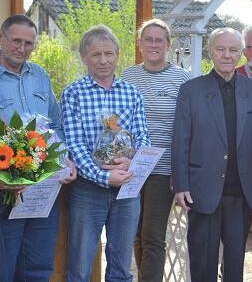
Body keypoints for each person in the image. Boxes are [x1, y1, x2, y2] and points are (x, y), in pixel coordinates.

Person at [172, 27, 252, 282]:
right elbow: (180, 140)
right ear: (210, 52)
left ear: (241, 54)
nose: (227, 55)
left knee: (235, 263)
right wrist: (181, 184)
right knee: (203, 261)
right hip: (202, 189)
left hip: (241, 190)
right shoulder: (190, 91)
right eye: (221, 49)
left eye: (233, 50)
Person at [61, 25, 150, 282]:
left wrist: (131, 161)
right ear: (84, 57)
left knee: (121, 267)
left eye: (109, 53)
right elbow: (74, 144)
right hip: (88, 190)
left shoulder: (132, 93)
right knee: (79, 266)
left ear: (118, 54)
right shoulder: (73, 94)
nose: (103, 60)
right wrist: (103, 176)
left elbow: (143, 136)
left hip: (127, 188)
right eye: (96, 54)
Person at [0, 14, 77, 282]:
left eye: (28, 43)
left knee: (38, 265)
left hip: (43, 190)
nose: (22, 48)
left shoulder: (41, 75)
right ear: (2, 39)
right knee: (4, 267)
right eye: (16, 41)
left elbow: (55, 124)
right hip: (5, 190)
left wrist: (65, 159)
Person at [122, 18, 191, 282]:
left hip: (163, 170)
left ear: (168, 45)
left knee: (153, 236)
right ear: (140, 44)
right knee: (134, 234)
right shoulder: (128, 76)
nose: (153, 44)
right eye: (147, 39)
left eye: (158, 40)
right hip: (130, 168)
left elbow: (188, 128)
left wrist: (181, 171)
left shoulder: (183, 79)